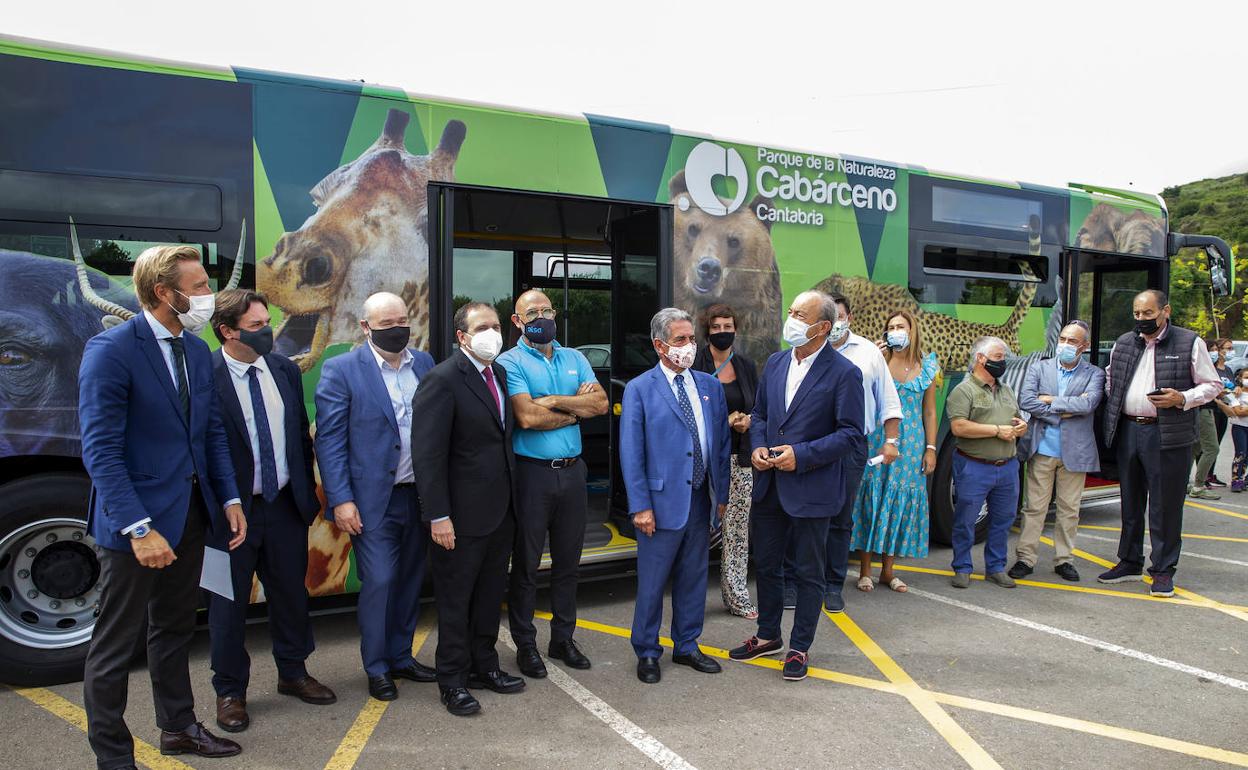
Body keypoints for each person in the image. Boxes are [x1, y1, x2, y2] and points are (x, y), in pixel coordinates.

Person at [79, 244, 247, 769]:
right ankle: (113, 757)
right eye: (199, 289)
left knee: (174, 629)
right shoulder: (111, 351)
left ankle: (178, 729)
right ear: (163, 293)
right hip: (138, 527)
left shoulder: (197, 351)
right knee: (116, 645)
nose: (208, 298)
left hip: (192, 516)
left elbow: (210, 433)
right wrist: (137, 527)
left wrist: (231, 498)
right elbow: (101, 452)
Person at [206, 290, 335, 733]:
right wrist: (222, 504)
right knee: (226, 604)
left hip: (283, 508)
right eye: (259, 326)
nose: (269, 332)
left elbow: (298, 433)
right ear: (227, 331)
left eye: (267, 321)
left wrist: (305, 495)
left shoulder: (282, 370)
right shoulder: (203, 376)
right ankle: (229, 691)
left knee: (291, 595)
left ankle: (293, 672)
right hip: (226, 518)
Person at [728, 291, 865, 682]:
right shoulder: (774, 363)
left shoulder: (844, 373)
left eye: (799, 314)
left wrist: (801, 455)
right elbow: (760, 415)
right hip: (769, 484)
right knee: (768, 565)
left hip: (812, 488)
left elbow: (851, 434)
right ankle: (767, 635)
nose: (790, 318)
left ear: (822, 327)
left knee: (808, 572)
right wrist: (756, 448)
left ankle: (799, 647)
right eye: (790, 311)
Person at [315, 292, 436, 702]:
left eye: (402, 320)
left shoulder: (425, 363)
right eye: (387, 324)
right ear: (366, 327)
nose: (398, 328)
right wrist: (341, 500)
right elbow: (329, 442)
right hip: (370, 501)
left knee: (409, 580)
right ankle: (377, 667)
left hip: (418, 496)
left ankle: (402, 655)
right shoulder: (342, 370)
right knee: (381, 580)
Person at [411, 302, 523, 716]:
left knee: (490, 597)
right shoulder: (441, 380)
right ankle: (453, 680)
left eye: (496, 325)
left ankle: (485, 666)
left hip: (499, 512)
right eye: (483, 327)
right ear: (462, 336)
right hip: (458, 517)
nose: (493, 333)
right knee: (456, 601)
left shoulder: (500, 374)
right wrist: (438, 515)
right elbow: (427, 455)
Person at [498, 290, 608, 679]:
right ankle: (525, 645)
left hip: (573, 472)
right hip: (531, 475)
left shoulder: (575, 357)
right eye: (532, 312)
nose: (541, 316)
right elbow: (526, 417)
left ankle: (563, 639)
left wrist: (552, 401)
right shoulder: (508, 361)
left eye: (546, 310)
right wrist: (574, 411)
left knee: (568, 564)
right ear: (517, 321)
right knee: (526, 565)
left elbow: (600, 404)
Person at [620, 308, 730, 684]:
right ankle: (647, 651)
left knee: (694, 578)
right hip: (659, 504)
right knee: (652, 581)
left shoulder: (709, 386)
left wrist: (723, 496)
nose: (689, 346)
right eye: (680, 340)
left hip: (700, 498)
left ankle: (687, 645)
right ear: (659, 345)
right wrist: (640, 506)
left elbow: (720, 445)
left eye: (690, 339)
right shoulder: (640, 388)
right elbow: (631, 453)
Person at [783, 293, 901, 611]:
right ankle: (791, 583)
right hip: (806, 447)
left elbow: (888, 400)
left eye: (840, 316)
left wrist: (892, 440)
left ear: (847, 319)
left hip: (848, 447)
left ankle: (832, 585)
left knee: (840, 517)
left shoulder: (867, 354)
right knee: (798, 513)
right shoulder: (799, 353)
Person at [1099, 290, 1221, 597]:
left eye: (1147, 313)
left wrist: (1182, 398)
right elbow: (1111, 377)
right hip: (1129, 430)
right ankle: (1128, 561)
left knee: (1165, 506)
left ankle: (1163, 570)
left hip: (1167, 433)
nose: (1141, 319)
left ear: (1164, 311)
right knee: (1130, 501)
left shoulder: (1189, 342)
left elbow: (1213, 385)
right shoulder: (1125, 342)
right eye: (1137, 314)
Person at [851, 309, 939, 593]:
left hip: (911, 446)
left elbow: (929, 412)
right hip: (879, 439)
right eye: (890, 327)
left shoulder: (927, 366)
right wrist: (870, 360)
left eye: (900, 326)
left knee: (898, 504)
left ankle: (888, 571)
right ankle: (865, 570)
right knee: (871, 499)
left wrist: (931, 448)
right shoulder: (878, 360)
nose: (895, 331)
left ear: (912, 331)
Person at [1010, 321, 1105, 583]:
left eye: (1072, 341)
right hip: (1042, 449)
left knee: (1069, 509)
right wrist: (1066, 411)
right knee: (1034, 508)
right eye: (1063, 338)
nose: (1065, 344)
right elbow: (1026, 400)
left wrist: (1050, 400)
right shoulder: (1039, 367)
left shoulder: (1094, 374)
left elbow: (1089, 404)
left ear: (1084, 346)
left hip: (1075, 452)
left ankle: (1064, 560)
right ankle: (1025, 558)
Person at [692, 304, 760, 619]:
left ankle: (737, 596)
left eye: (728, 326)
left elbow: (759, 409)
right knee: (697, 527)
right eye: (716, 327)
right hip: (704, 458)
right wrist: (723, 420)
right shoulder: (695, 364)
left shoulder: (745, 366)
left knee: (736, 530)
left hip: (740, 457)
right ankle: (689, 595)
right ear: (707, 331)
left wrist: (748, 420)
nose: (723, 332)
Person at [945, 336, 1027, 589]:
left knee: (1003, 519)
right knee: (966, 520)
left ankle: (996, 567)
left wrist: (1022, 426)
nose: (1003, 363)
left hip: (1007, 466)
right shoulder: (963, 390)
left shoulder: (1007, 389)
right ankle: (962, 567)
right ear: (981, 358)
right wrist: (996, 430)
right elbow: (959, 427)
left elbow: (1015, 419)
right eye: (999, 357)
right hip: (974, 466)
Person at [1212, 368, 1248, 491]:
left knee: (1247, 455)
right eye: (1246, 377)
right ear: (1240, 379)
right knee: (1241, 453)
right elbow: (1238, 412)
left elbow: (1242, 410)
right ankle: (1236, 480)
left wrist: (1244, 409)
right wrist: (1242, 410)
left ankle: (1242, 479)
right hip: (1239, 427)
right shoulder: (1235, 393)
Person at [1207, 339, 1235, 488]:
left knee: (1217, 443)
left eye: (1232, 348)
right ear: (1219, 350)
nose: (1231, 351)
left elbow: (1231, 388)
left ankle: (1211, 473)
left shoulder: (1228, 369)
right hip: (1212, 409)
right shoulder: (1211, 368)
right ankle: (1204, 475)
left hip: (1224, 410)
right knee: (1209, 445)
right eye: (1228, 348)